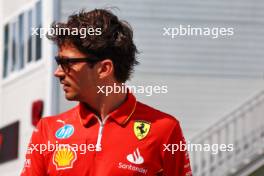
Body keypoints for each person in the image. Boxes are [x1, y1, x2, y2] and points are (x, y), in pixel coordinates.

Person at [21, 9, 192, 176]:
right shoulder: (46, 131)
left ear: (104, 69)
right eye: (58, 62)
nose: (57, 72)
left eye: (67, 63)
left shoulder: (165, 129)